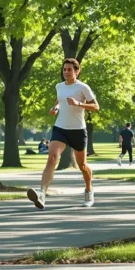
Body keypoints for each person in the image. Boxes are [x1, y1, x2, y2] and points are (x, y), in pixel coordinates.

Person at [26, 58, 99, 210]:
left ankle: (89, 190)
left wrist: (79, 104)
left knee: (83, 166)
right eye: (64, 69)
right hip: (60, 128)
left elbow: (96, 106)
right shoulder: (59, 86)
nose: (66, 72)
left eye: (69, 69)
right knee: (52, 158)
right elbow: (59, 101)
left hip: (78, 130)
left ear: (77, 71)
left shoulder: (83, 87)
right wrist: (55, 108)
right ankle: (42, 194)